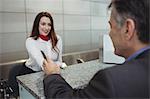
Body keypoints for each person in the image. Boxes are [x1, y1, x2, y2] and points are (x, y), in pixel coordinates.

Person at [42, 0, 150, 98]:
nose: (109, 34)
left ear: (127, 29)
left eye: (111, 26)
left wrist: (52, 75)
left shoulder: (111, 81)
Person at [8, 12, 62, 98]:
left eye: (49, 25)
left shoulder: (57, 39)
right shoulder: (30, 41)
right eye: (43, 24)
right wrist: (55, 67)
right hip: (29, 73)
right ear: (37, 25)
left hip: (49, 73)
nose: (46, 28)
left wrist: (56, 66)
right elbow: (42, 63)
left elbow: (60, 61)